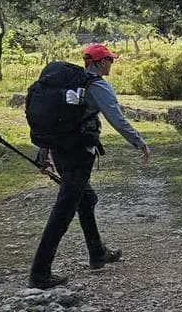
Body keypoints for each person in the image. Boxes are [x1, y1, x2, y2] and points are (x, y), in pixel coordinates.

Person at [28, 43, 151, 290]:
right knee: (64, 210)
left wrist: (43, 153)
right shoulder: (96, 86)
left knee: (86, 200)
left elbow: (49, 124)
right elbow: (116, 117)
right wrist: (139, 143)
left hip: (61, 151)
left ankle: (97, 253)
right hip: (79, 154)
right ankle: (40, 272)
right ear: (100, 62)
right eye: (110, 60)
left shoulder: (67, 86)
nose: (111, 65)